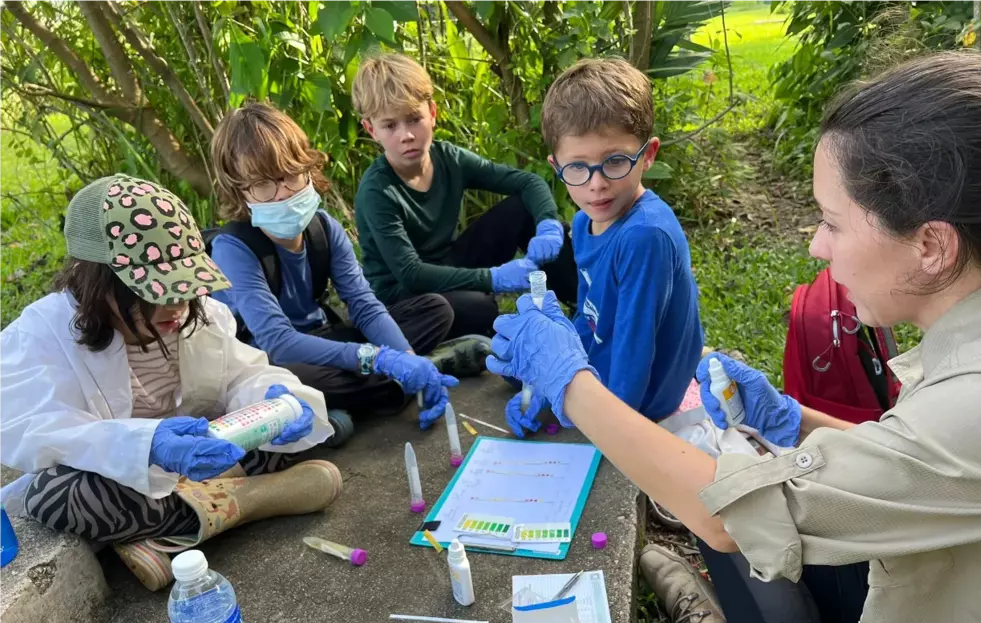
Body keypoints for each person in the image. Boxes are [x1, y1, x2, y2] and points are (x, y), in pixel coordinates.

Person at [486, 51, 981, 623]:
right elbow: (919, 457)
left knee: (733, 514)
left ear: (932, 244)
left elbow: (731, 511)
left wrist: (567, 380)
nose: (815, 244)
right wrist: (792, 419)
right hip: (942, 600)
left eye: (832, 221)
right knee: (738, 496)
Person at [0, 175, 344, 592]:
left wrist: (274, 398)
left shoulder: (203, 316)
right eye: (156, 292)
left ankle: (169, 535)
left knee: (281, 422)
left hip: (203, 460)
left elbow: (243, 374)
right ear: (97, 284)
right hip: (127, 482)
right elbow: (31, 429)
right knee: (54, 495)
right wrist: (148, 444)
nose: (178, 307)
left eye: (185, 287)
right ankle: (249, 501)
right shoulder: (38, 335)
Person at [208, 102, 468, 435]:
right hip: (271, 359)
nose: (282, 193)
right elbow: (278, 341)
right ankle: (392, 387)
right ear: (240, 191)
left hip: (324, 340)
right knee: (293, 378)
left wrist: (404, 356)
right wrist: (377, 359)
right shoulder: (233, 248)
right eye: (263, 184)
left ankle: (357, 397)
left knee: (434, 310)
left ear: (307, 168)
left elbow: (364, 305)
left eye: (291, 175)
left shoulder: (323, 228)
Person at [503, 57, 704, 437]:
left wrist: (610, 431)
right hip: (609, 359)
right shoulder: (583, 223)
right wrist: (545, 388)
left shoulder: (645, 237)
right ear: (555, 165)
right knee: (521, 368)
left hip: (646, 397)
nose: (596, 184)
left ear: (648, 154)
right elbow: (588, 313)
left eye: (614, 161)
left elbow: (634, 355)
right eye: (577, 167)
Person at [351, 53, 578, 340]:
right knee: (480, 309)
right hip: (404, 297)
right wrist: (493, 278)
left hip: (448, 264)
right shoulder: (377, 191)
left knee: (521, 210)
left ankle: (586, 306)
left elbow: (527, 182)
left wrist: (548, 226)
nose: (406, 135)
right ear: (371, 129)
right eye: (390, 126)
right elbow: (410, 273)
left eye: (413, 119)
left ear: (432, 113)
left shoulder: (448, 159)